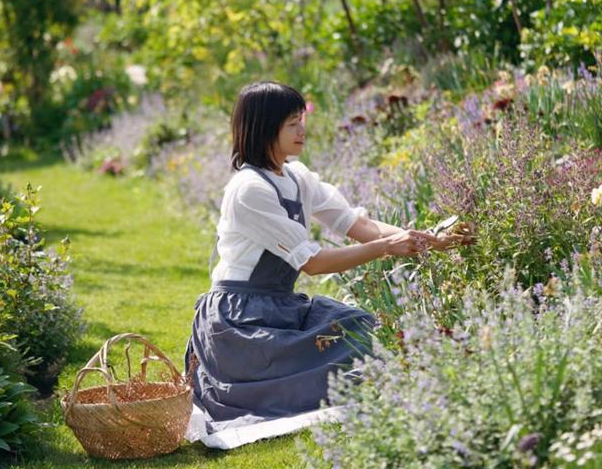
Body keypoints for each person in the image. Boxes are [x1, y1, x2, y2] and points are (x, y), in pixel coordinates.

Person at [185, 81, 468, 436]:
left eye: (302, 120)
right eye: (292, 123)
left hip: (280, 306)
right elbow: (313, 264)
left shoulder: (297, 177)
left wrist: (430, 241)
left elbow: (357, 224)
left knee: (363, 330)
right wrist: (387, 248)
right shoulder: (249, 190)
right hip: (241, 320)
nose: (303, 130)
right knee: (331, 365)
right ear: (263, 128)